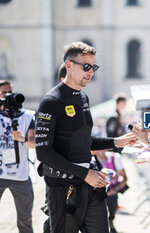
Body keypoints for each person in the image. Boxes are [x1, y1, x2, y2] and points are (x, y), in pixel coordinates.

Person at [35, 41, 136, 233]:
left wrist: (117, 142)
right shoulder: (51, 101)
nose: (91, 72)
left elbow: (84, 141)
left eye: (94, 67)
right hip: (62, 187)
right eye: (86, 66)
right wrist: (85, 174)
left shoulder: (83, 97)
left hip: (90, 185)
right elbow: (43, 152)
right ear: (69, 65)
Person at [0, 80, 35, 233]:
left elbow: (34, 144)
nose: (8, 96)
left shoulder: (26, 116)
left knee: (25, 220)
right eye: (4, 93)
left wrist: (23, 139)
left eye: (10, 92)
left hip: (20, 176)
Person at [42, 62, 67, 233]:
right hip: (55, 174)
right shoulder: (51, 102)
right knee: (54, 221)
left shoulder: (81, 101)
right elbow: (43, 150)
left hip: (74, 175)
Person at [95, 150, 127, 233]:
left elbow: (125, 178)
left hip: (111, 190)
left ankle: (111, 221)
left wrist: (115, 190)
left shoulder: (114, 157)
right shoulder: (90, 159)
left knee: (112, 200)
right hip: (96, 190)